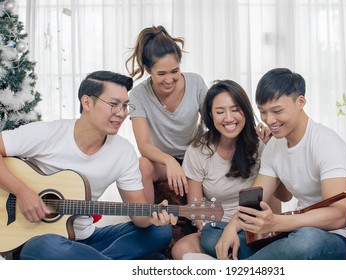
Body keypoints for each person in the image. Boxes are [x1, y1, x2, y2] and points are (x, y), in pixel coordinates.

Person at [0, 70, 177, 260]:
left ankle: (90, 265)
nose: (121, 113)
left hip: (87, 238)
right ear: (87, 102)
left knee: (160, 232)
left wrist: (152, 217)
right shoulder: (48, 133)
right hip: (38, 238)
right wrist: (22, 192)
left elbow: (139, 215)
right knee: (45, 246)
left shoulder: (123, 151)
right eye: (113, 104)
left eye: (125, 106)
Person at [211, 68, 346, 260]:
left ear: (301, 102)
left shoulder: (326, 143)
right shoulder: (274, 146)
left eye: (277, 111)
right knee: (213, 232)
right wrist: (230, 229)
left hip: (334, 239)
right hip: (294, 232)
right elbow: (253, 201)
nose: (269, 120)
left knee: (306, 240)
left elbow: (340, 216)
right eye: (263, 112)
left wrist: (277, 223)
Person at [171, 80, 274, 260]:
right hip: (216, 228)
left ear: (246, 111)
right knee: (181, 249)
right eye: (220, 112)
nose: (228, 118)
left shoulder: (260, 144)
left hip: (254, 226)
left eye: (235, 110)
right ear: (210, 115)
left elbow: (278, 198)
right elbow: (195, 207)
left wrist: (272, 147)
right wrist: (202, 225)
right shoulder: (197, 151)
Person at [125, 25, 208, 203]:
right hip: (162, 161)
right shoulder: (138, 95)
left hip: (195, 156)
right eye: (161, 73)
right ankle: (148, 220)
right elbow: (144, 145)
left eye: (175, 71)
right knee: (142, 165)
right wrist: (169, 161)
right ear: (148, 69)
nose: (169, 79)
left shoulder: (195, 83)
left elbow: (213, 121)